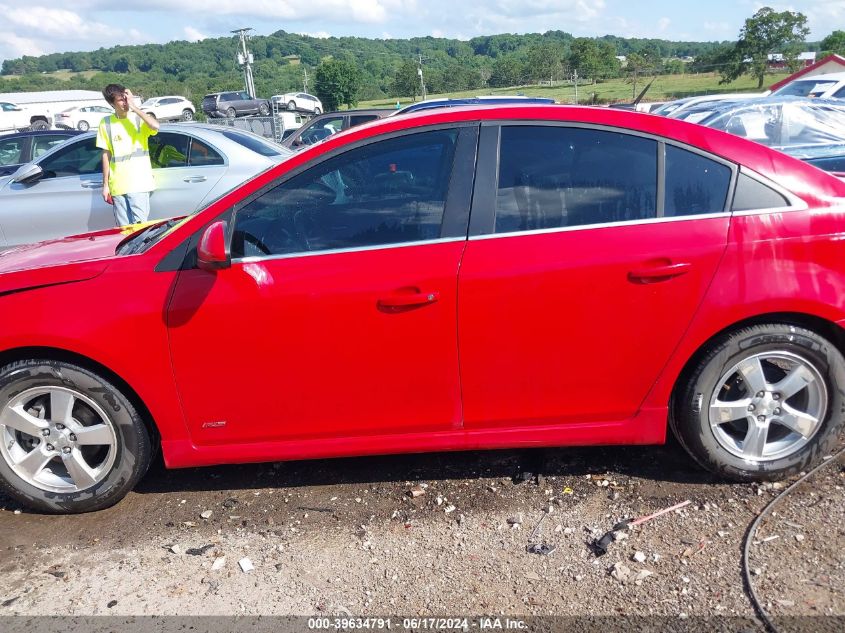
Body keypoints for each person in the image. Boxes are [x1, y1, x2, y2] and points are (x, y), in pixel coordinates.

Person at [96, 84, 160, 226]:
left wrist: (135, 107)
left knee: (140, 229)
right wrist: (105, 185)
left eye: (126, 98)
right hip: (118, 185)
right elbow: (106, 154)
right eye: (121, 100)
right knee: (124, 230)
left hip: (139, 184)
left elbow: (155, 126)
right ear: (112, 103)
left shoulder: (138, 118)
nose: (125, 102)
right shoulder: (105, 123)